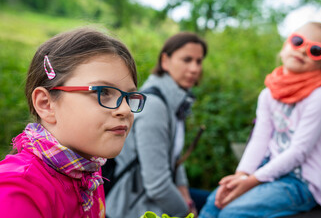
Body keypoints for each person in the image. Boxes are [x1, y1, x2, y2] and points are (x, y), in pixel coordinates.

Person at [0, 27, 146, 218]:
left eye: (129, 96)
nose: (125, 109)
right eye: (103, 92)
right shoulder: (17, 190)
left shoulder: (89, 173)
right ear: (46, 104)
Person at [199, 22, 321, 218]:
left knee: (233, 212)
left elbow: (299, 152)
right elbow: (260, 139)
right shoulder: (269, 94)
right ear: (284, 48)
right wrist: (241, 176)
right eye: (298, 41)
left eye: (316, 50)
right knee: (214, 203)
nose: (304, 50)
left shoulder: (320, 98)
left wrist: (251, 181)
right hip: (268, 172)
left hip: (302, 182)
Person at [105, 32, 208, 218]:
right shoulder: (154, 105)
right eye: (187, 60)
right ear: (165, 61)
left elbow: (174, 157)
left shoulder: (175, 102)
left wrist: (186, 196)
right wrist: (187, 212)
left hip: (153, 197)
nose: (194, 68)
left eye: (199, 61)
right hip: (132, 205)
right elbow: (157, 186)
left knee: (214, 201)